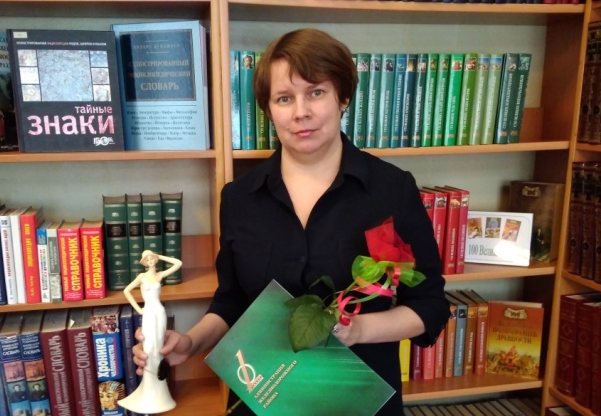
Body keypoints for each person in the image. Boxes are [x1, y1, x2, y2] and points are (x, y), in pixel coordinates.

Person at [132, 28, 449, 415]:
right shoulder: (239, 198)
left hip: (357, 402)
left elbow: (430, 304)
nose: (301, 112)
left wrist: (360, 330)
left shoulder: (391, 189)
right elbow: (233, 300)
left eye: (316, 92)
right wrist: (191, 344)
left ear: (343, 98)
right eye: (284, 98)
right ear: (269, 110)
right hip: (263, 397)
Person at [118, 250, 181, 413]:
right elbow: (126, 291)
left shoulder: (159, 275)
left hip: (159, 312)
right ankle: (150, 387)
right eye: (148, 259)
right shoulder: (141, 277)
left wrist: (160, 256)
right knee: (149, 347)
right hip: (148, 312)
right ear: (144, 262)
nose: (151, 260)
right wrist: (139, 309)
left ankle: (160, 390)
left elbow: (178, 263)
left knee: (159, 346)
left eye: (152, 258)